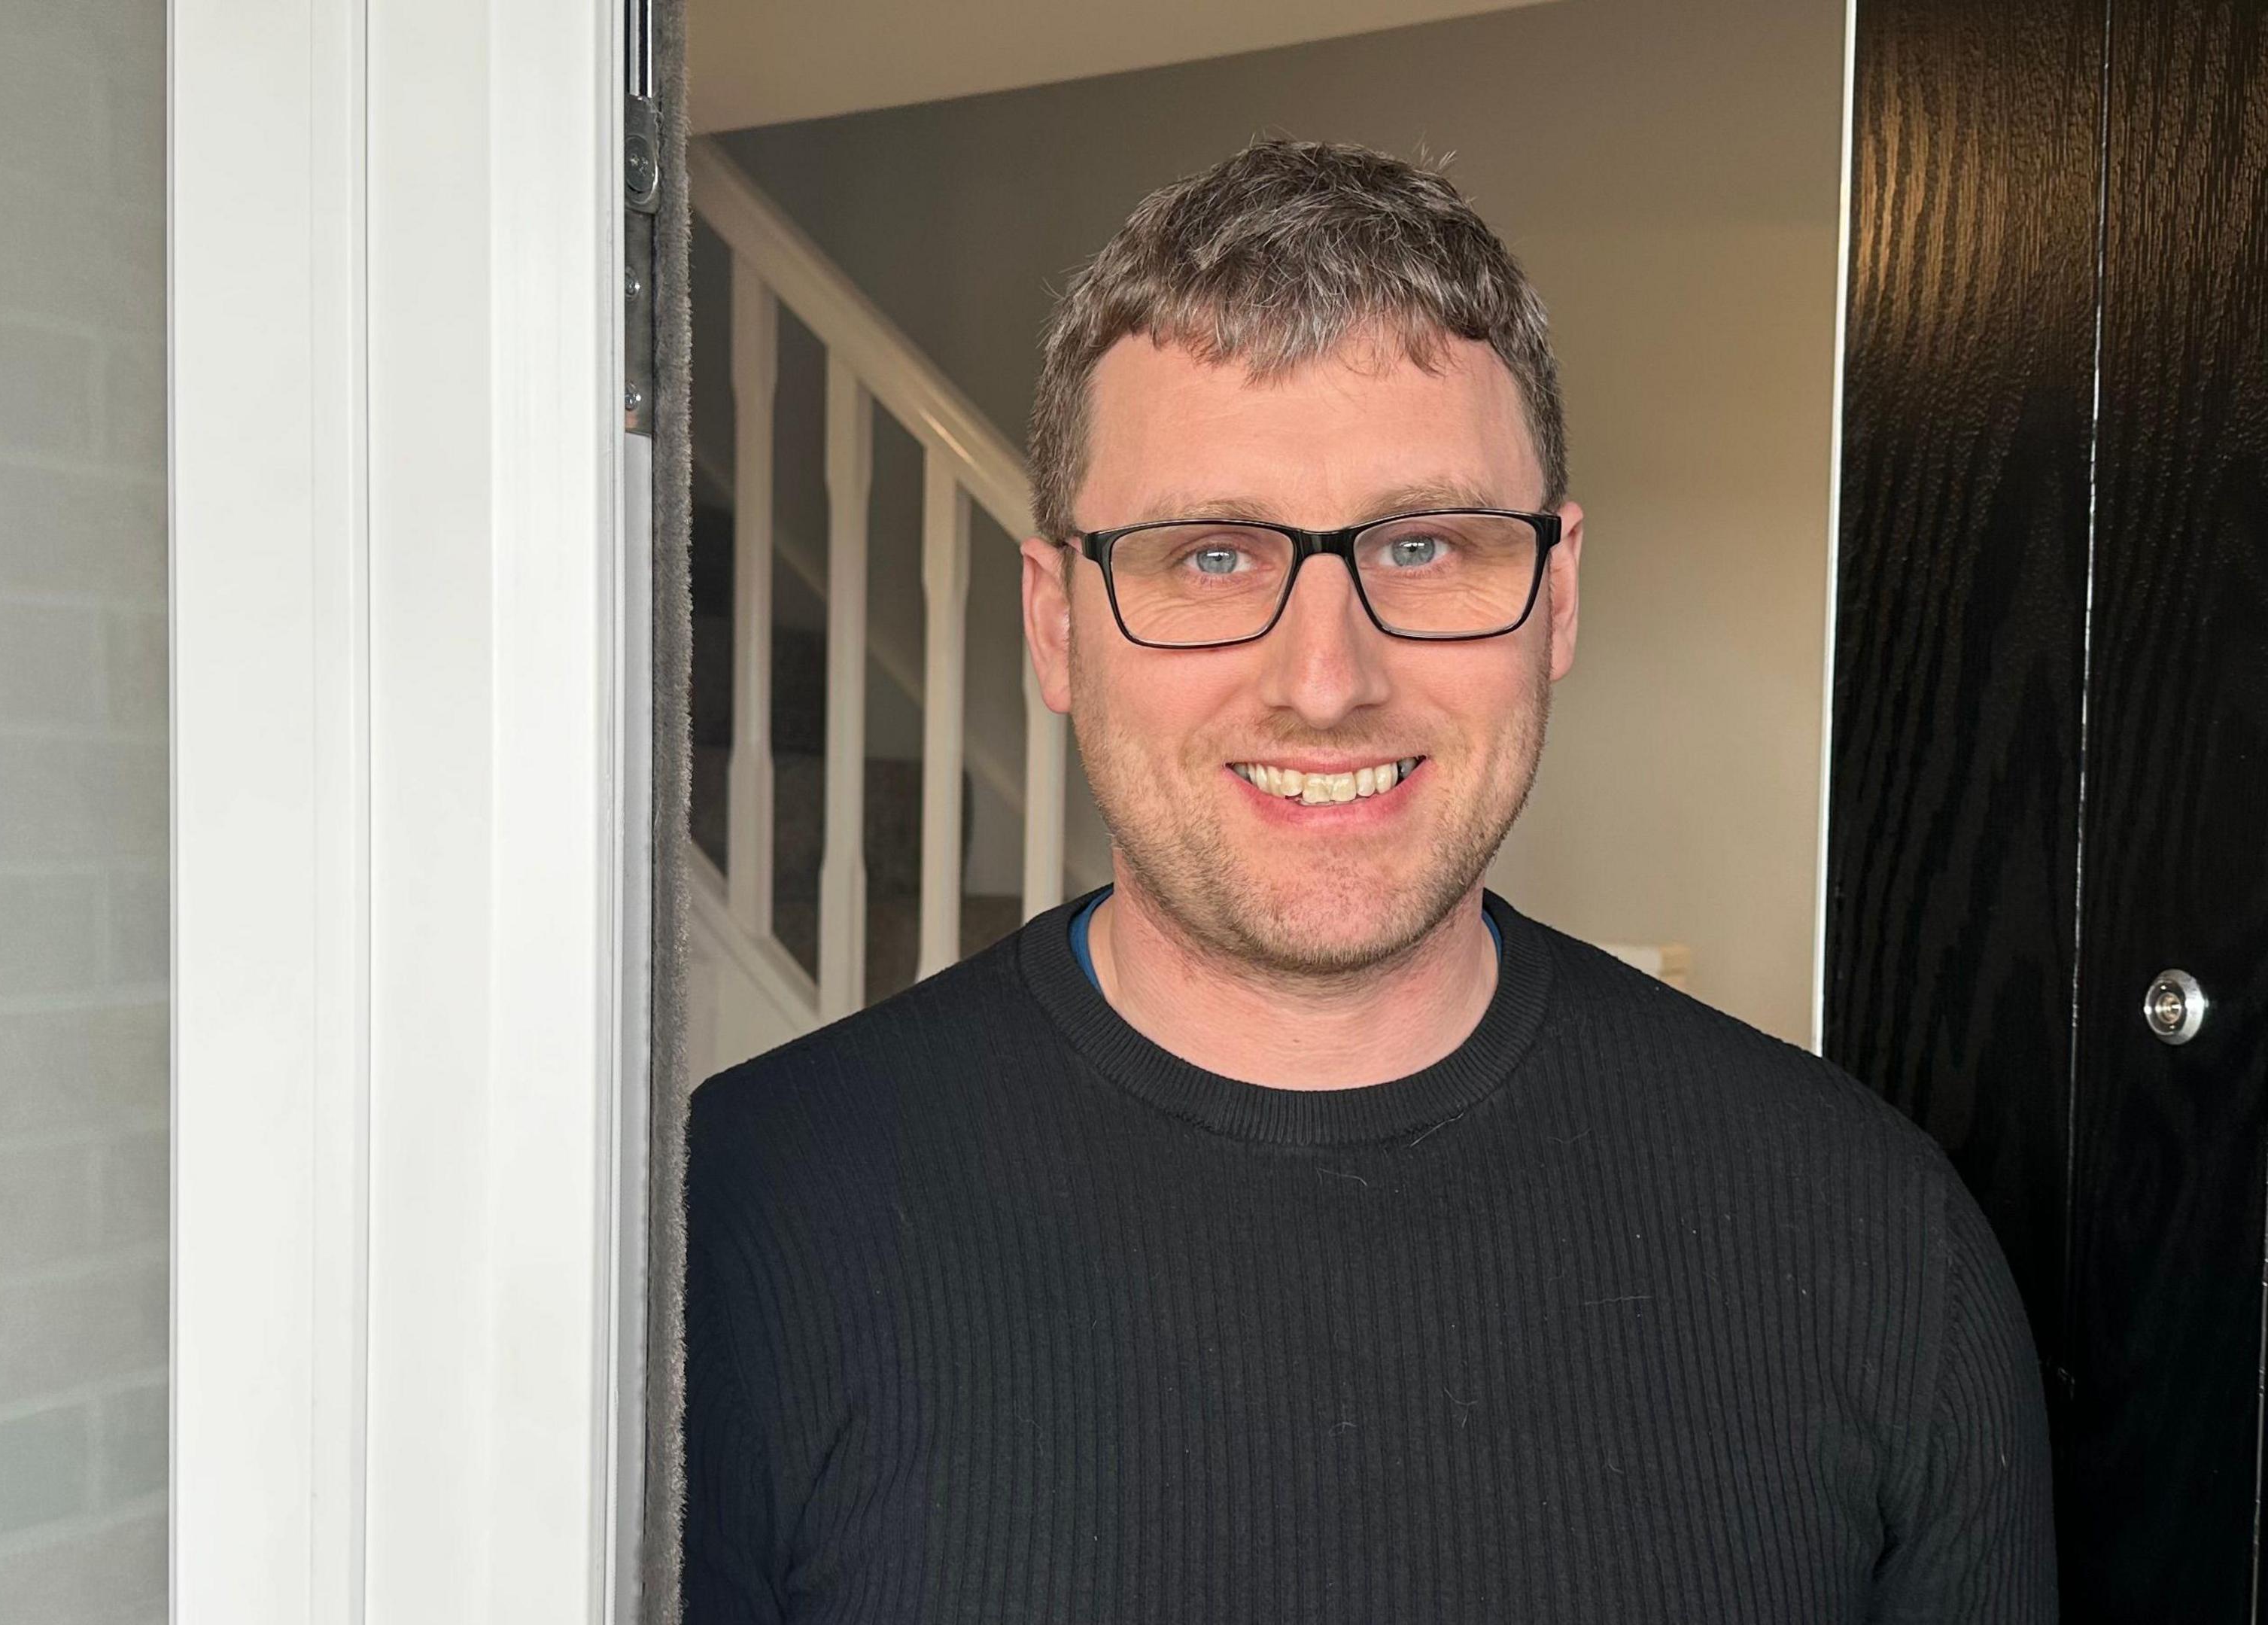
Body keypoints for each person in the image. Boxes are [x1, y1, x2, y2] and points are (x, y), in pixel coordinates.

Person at [679, 138, 2054, 1622]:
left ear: (1560, 596)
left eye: (1422, 545)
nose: (1325, 681)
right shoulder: (740, 1225)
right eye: (1209, 557)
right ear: (1057, 623)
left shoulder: (1872, 1245)